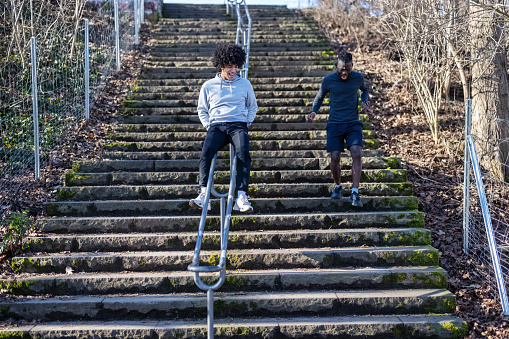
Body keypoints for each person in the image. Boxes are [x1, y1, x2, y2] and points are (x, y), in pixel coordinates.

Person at [189, 43, 258, 213]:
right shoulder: (209, 85)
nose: (233, 70)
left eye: (236, 67)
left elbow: (253, 106)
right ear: (221, 66)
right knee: (206, 153)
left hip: (238, 125)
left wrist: (246, 122)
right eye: (229, 67)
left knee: (243, 152)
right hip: (217, 125)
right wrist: (208, 125)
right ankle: (204, 193)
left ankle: (241, 196)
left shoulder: (245, 84)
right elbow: (202, 109)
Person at [307, 51, 369, 207]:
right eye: (341, 69)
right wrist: (314, 110)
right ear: (336, 66)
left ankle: (355, 192)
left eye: (347, 69)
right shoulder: (328, 80)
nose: (344, 72)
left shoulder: (358, 78)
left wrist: (364, 102)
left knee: (356, 152)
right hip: (334, 123)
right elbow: (320, 97)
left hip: (353, 122)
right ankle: (338, 186)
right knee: (334, 157)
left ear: (352, 67)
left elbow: (365, 90)